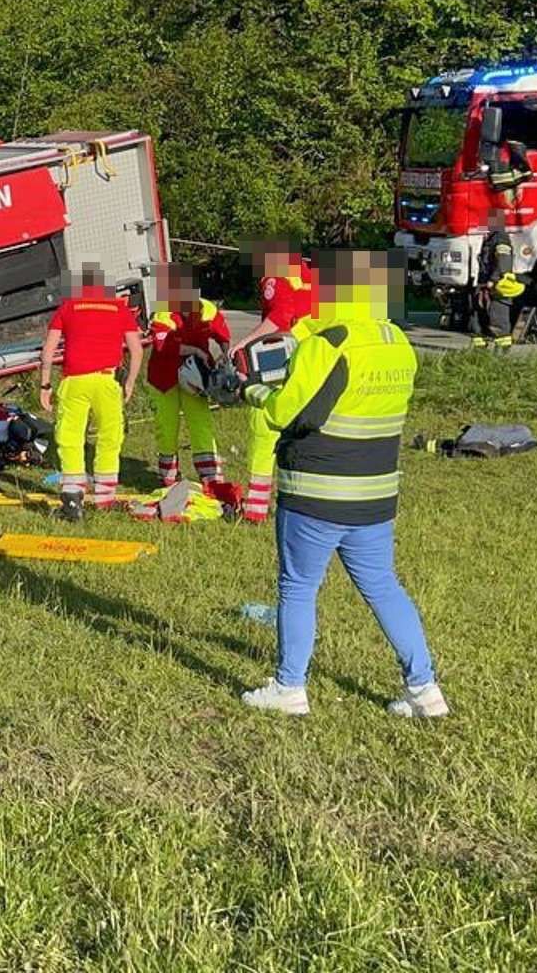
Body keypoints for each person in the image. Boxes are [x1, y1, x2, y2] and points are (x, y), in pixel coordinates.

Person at [238, 250, 448, 719]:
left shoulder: (328, 343)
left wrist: (250, 388)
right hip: (375, 494)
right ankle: (424, 688)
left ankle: (290, 687)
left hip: (316, 492)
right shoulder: (398, 342)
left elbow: (287, 413)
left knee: (298, 587)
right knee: (384, 587)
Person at [38, 266, 143, 521]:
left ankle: (72, 499)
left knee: (70, 438)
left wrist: (45, 385)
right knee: (110, 437)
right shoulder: (119, 308)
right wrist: (129, 383)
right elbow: (137, 350)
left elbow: (48, 352)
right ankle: (105, 499)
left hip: (74, 382)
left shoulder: (68, 307)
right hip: (107, 381)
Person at [234, 243, 316, 521]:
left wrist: (244, 343)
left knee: (264, 424)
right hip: (315, 357)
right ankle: (301, 499)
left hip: (287, 355)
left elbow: (280, 317)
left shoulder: (276, 276)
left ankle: (256, 508)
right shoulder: (309, 274)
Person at [143, 264, 230, 487]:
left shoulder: (207, 309)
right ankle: (169, 478)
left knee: (201, 424)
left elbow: (223, 335)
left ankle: (211, 477)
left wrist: (225, 356)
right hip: (165, 379)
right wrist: (195, 351)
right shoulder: (164, 313)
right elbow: (163, 346)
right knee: (167, 427)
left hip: (196, 379)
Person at [472, 205, 523, 348]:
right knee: (482, 315)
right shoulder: (491, 238)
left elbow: (503, 260)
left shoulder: (500, 238)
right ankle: (482, 345)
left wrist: (493, 280)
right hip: (486, 283)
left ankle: (502, 347)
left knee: (498, 316)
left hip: (497, 286)